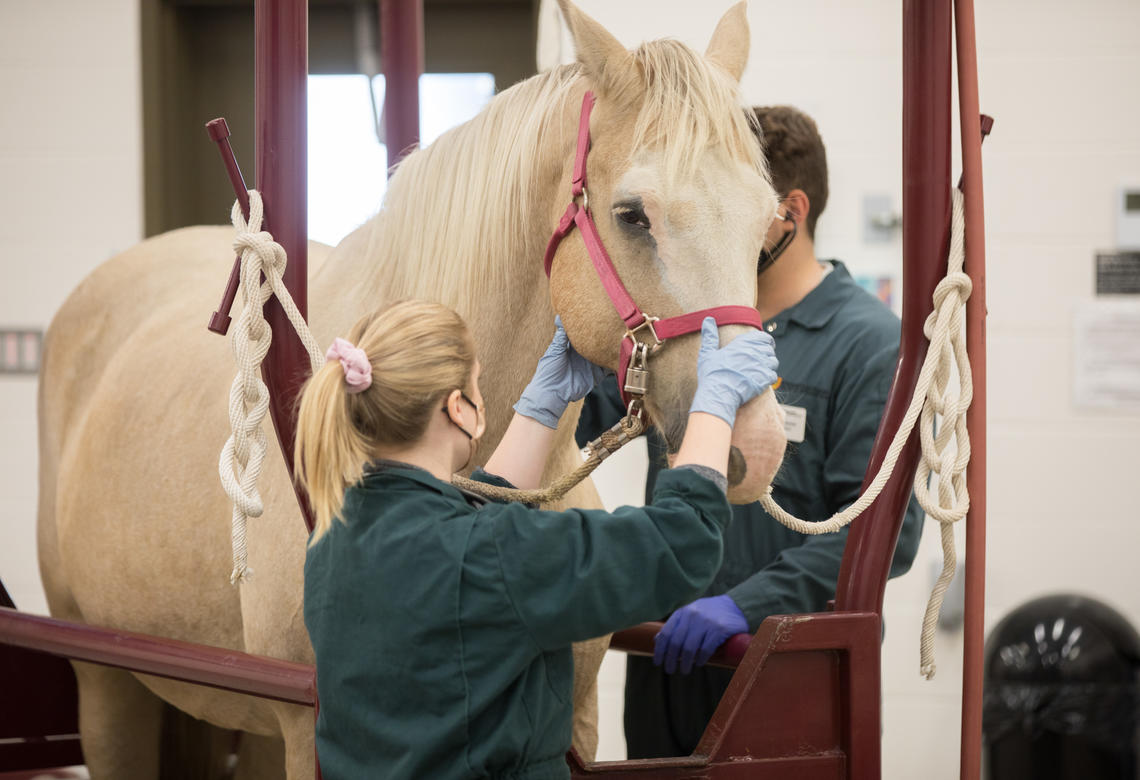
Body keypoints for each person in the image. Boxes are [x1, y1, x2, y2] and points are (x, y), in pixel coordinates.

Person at [296, 299, 779, 779]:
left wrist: (540, 408)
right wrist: (715, 403)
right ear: (457, 408)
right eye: (476, 385)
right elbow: (682, 541)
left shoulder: (333, 532)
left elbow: (467, 544)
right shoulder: (488, 554)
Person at [576, 105, 925, 758]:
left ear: (789, 212)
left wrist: (747, 606)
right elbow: (590, 418)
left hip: (783, 663)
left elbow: (886, 534)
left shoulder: (870, 345)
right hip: (665, 654)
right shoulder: (684, 326)